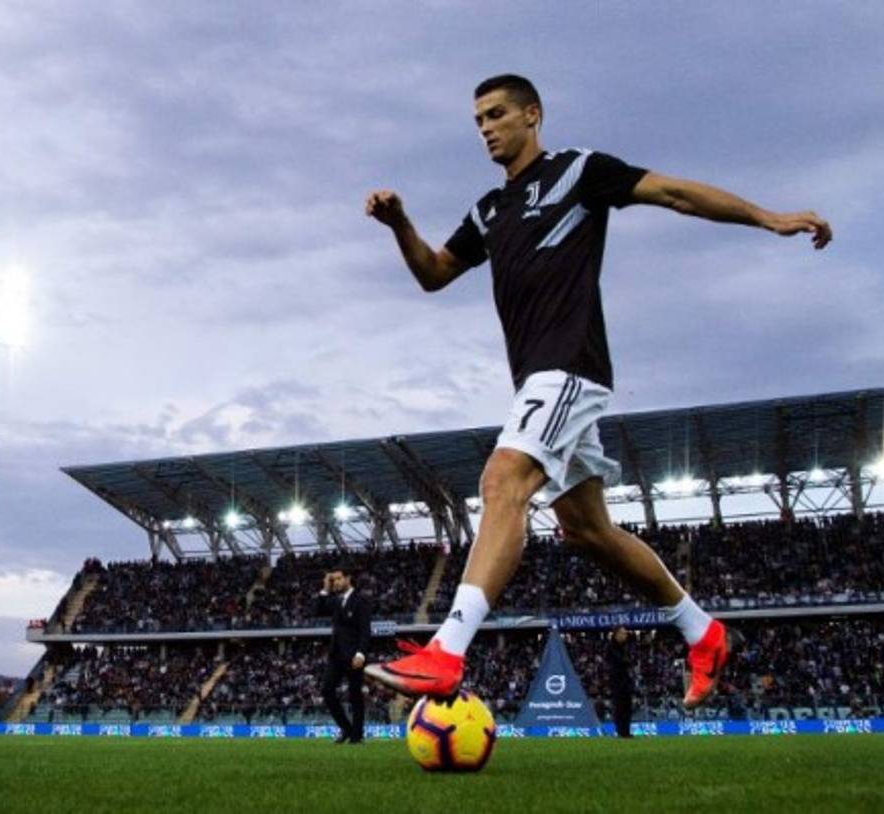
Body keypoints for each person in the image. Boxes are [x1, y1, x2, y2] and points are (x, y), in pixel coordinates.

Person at [363, 73, 831, 709]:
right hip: (538, 377)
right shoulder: (489, 211)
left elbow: (674, 193)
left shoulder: (578, 172)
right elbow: (435, 273)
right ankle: (704, 631)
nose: (486, 129)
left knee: (504, 483)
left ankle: (446, 651)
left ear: (533, 115)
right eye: (478, 120)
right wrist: (400, 224)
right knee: (585, 529)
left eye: (497, 114)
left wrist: (766, 217)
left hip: (569, 366)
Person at [316, 566, 372, 743]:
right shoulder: (335, 600)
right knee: (326, 690)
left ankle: (357, 735)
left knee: (355, 695)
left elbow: (365, 630)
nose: (336, 582)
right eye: (335, 580)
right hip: (336, 654)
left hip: (354, 656)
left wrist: (361, 654)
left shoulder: (360, 600)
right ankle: (346, 728)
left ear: (348, 579)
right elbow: (317, 610)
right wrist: (325, 587)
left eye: (339, 579)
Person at [607, 626, 634, 738]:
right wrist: (627, 661)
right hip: (617, 680)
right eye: (622, 633)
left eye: (625, 633)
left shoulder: (625, 647)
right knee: (619, 706)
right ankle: (620, 731)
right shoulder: (611, 647)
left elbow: (628, 660)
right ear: (616, 634)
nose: (625, 636)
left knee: (627, 706)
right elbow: (622, 661)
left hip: (625, 679)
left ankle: (626, 731)